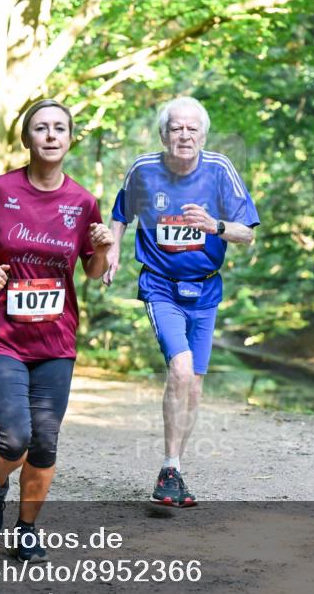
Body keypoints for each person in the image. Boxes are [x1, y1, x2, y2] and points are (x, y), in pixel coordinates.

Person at [0, 99, 112, 562]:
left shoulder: (83, 201)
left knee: (45, 440)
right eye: (40, 128)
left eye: (59, 128)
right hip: (2, 335)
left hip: (55, 342)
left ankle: (26, 528)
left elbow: (91, 271)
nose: (50, 135)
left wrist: (103, 248)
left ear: (69, 138)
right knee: (14, 438)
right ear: (26, 138)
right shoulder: (0, 189)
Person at [105, 96, 260, 507]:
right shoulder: (143, 170)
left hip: (206, 288)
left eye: (192, 128)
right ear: (164, 134)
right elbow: (121, 213)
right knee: (181, 367)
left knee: (193, 386)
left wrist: (216, 225)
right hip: (160, 285)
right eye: (176, 128)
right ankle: (169, 466)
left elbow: (248, 234)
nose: (185, 135)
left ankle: (176, 470)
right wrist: (114, 250)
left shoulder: (220, 170)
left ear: (203, 135)